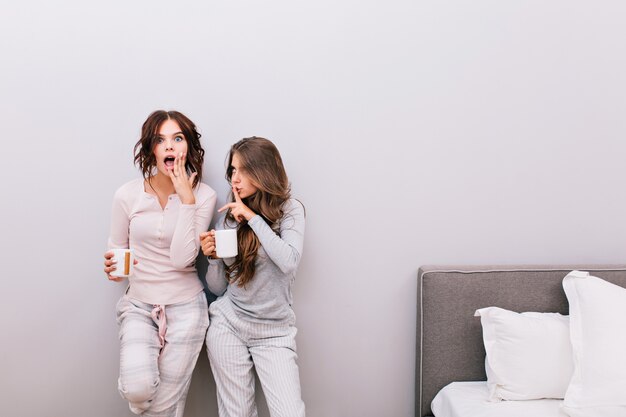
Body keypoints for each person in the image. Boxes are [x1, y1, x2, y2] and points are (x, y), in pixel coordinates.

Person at [103, 110, 217, 417]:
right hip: (139, 305)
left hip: (186, 309)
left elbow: (182, 260)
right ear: (152, 149)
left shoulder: (204, 196)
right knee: (139, 392)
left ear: (188, 147)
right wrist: (114, 270)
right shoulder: (127, 195)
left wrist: (186, 200)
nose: (169, 146)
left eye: (177, 138)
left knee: (165, 406)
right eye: (160, 139)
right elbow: (116, 249)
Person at [200, 137, 306, 417]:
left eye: (242, 170)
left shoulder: (290, 210)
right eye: (232, 170)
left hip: (275, 332)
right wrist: (212, 259)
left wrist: (252, 218)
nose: (235, 178)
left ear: (263, 171)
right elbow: (218, 287)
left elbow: (289, 261)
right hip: (229, 324)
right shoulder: (227, 219)